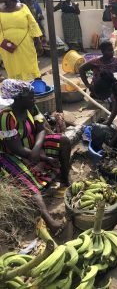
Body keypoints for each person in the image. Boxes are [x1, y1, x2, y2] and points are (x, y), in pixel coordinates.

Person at [0, 80, 71, 233]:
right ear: (18, 98)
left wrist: (37, 149)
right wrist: (43, 157)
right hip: (12, 155)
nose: (34, 100)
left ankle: (65, 181)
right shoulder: (6, 117)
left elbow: (41, 129)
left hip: (33, 147)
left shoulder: (31, 107)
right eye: (31, 97)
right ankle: (50, 221)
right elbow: (16, 148)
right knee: (27, 182)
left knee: (64, 141)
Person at [0, 0, 42, 81]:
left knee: (29, 63)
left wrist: (38, 41)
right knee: (13, 67)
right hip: (7, 47)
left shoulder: (23, 7)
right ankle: (18, 87)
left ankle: (35, 84)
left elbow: (33, 24)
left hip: (25, 44)